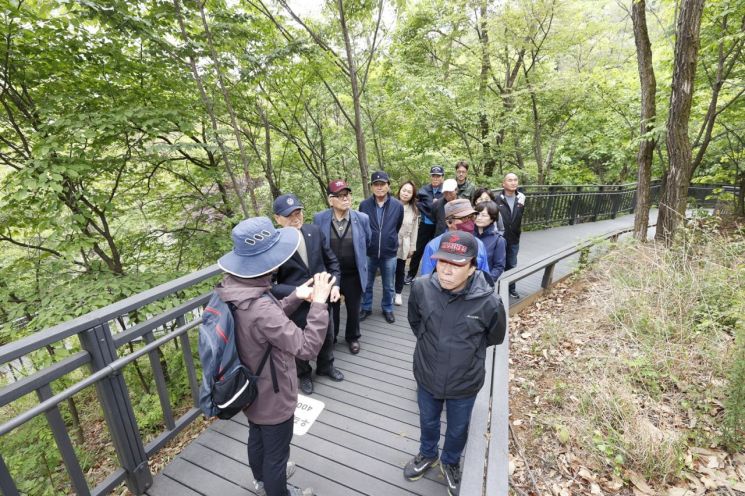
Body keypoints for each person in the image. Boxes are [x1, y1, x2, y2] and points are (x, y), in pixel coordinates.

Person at [215, 217, 336, 496]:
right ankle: (277, 488)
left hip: (250, 385)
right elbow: (306, 348)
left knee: (257, 436)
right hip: (273, 393)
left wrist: (295, 296)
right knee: (277, 455)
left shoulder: (236, 289)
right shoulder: (259, 305)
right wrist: (319, 302)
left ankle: (261, 480)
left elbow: (265, 321)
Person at [404, 231, 507, 496]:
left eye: (457, 264)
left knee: (459, 427)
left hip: (465, 381)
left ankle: (450, 462)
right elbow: (416, 322)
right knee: (428, 420)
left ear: (473, 267)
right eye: (441, 262)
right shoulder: (421, 287)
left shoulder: (489, 302)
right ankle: (427, 454)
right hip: (426, 374)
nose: (446, 270)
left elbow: (494, 336)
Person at [271, 193, 344, 396]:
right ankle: (303, 374)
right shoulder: (273, 245)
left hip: (322, 299)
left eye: (298, 212)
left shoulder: (314, 231)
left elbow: (332, 262)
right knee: (298, 340)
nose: (296, 218)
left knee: (328, 334)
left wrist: (335, 285)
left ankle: (326, 366)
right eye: (289, 215)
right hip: (295, 305)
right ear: (277, 218)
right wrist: (298, 292)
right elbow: (269, 285)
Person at [313, 179, 371, 355]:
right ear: (331, 200)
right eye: (340, 196)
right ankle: (333, 336)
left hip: (353, 273)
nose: (346, 199)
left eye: (347, 195)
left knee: (354, 308)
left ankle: (353, 337)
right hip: (330, 275)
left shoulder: (362, 219)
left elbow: (366, 242)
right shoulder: (319, 218)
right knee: (333, 309)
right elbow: (317, 245)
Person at [358, 171, 404, 324]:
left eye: (382, 184)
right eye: (376, 185)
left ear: (388, 186)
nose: (379, 187)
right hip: (369, 252)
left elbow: (396, 226)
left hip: (389, 252)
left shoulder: (397, 206)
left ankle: (388, 309)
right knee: (367, 282)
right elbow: (362, 228)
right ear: (372, 187)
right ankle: (366, 307)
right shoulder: (364, 205)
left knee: (389, 285)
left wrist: (388, 239)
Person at [419, 199, 490, 280]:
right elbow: (427, 279)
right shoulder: (434, 246)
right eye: (463, 218)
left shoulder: (479, 244)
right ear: (449, 222)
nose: (469, 221)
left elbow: (484, 278)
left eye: (471, 217)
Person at [405, 166, 444, 284]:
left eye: (438, 176)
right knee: (418, 250)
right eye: (433, 176)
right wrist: (423, 208)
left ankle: (435, 275)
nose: (435, 178)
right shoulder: (424, 190)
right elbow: (415, 201)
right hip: (425, 224)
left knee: (437, 250)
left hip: (439, 225)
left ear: (442, 177)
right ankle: (411, 275)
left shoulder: (445, 191)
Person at [495, 173, 526, 298]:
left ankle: (511, 289)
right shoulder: (497, 199)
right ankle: (495, 289)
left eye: (515, 180)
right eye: (510, 180)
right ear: (503, 183)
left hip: (514, 237)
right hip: (500, 239)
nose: (513, 182)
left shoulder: (521, 199)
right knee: (498, 264)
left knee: (512, 264)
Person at [395, 180, 419, 306]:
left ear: (412, 195)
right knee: (388, 269)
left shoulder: (414, 210)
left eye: (409, 192)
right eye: (404, 190)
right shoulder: (391, 204)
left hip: (404, 243)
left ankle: (398, 293)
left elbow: (415, 230)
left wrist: (412, 247)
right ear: (399, 191)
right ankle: (388, 292)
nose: (405, 193)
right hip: (390, 243)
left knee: (400, 269)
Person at [474, 201, 506, 282]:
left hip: (483, 283)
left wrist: (488, 281)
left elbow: (499, 266)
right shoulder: (468, 235)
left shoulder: (498, 240)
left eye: (484, 215)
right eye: (477, 214)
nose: (479, 217)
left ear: (492, 218)